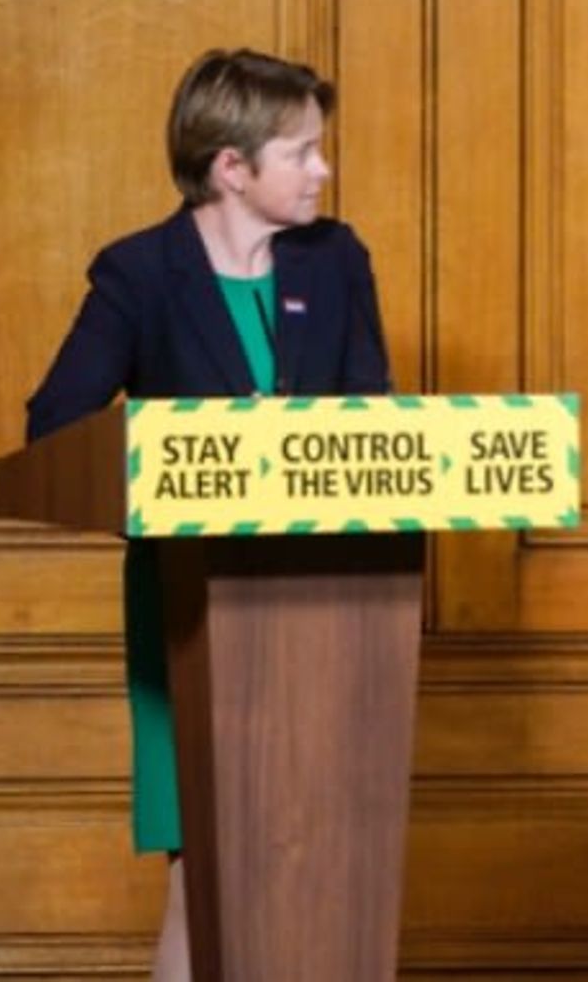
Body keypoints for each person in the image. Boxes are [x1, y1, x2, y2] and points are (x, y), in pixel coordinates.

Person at [25, 48, 391, 981]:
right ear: (233, 167)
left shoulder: (336, 260)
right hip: (189, 614)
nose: (323, 169)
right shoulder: (140, 274)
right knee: (207, 865)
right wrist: (191, 470)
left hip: (329, 614)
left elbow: (376, 420)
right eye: (303, 151)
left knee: (321, 862)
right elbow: (56, 428)